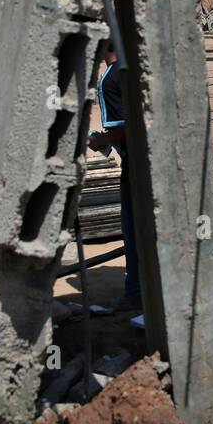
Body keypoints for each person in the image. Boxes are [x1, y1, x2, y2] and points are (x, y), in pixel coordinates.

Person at [87, 45, 142, 310]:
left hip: (137, 166)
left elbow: (122, 129)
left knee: (133, 232)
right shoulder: (137, 68)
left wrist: (99, 140)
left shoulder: (109, 79)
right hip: (157, 162)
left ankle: (135, 294)